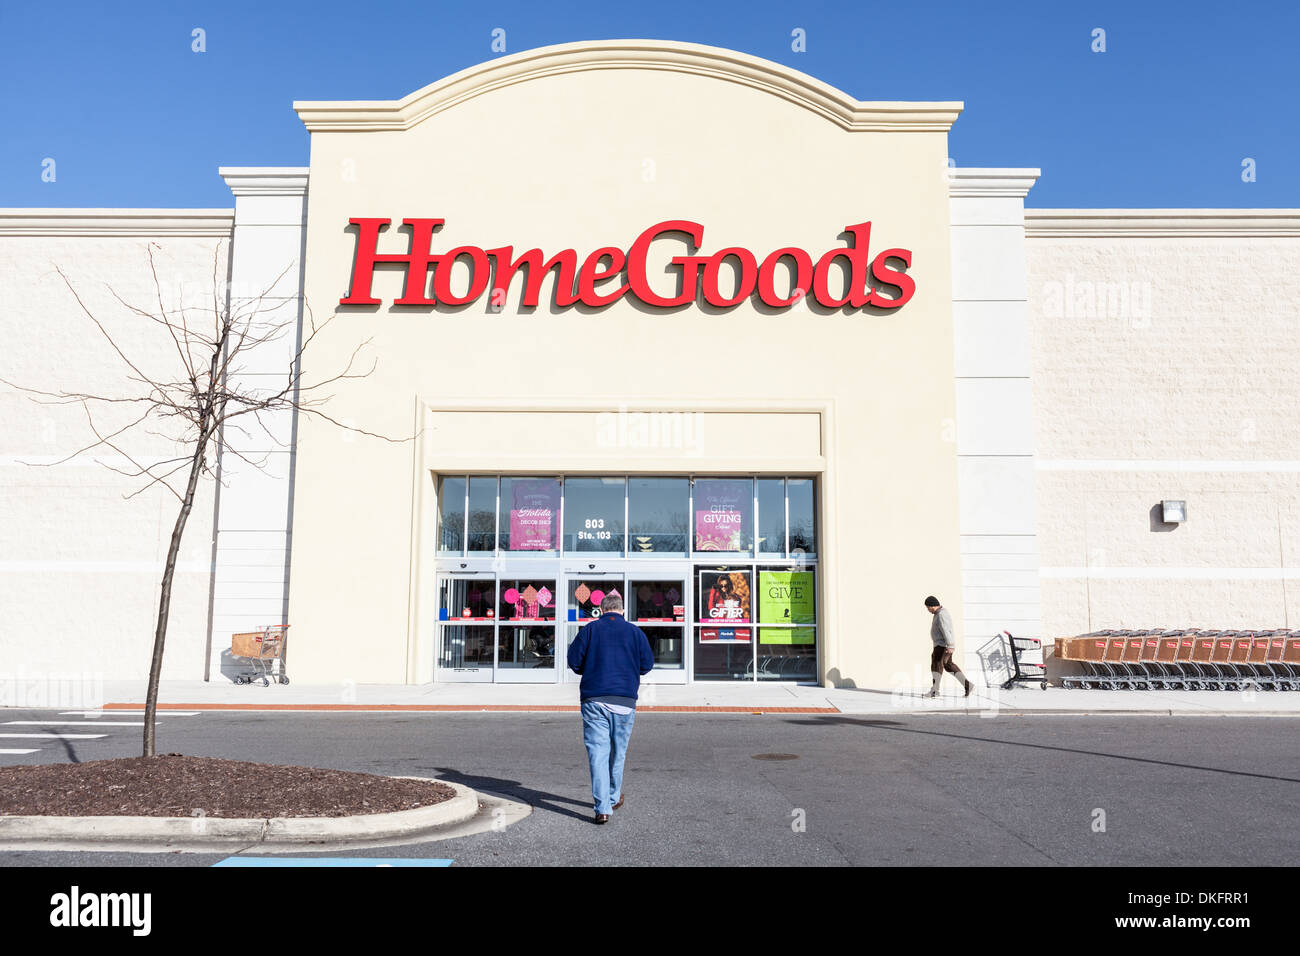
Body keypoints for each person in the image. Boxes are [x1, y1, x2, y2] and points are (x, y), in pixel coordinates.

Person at [567, 592, 655, 824]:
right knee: (618, 751)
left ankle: (602, 808)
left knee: (597, 752)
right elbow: (647, 665)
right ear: (622, 611)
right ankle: (613, 796)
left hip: (594, 699)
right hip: (625, 700)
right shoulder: (635, 632)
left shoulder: (590, 630)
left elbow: (574, 661)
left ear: (602, 610)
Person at [924, 595, 974, 698]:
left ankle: (935, 691)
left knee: (936, 666)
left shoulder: (941, 614)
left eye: (928, 607)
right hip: (942, 645)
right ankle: (968, 686)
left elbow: (946, 630)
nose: (928, 610)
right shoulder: (939, 613)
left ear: (932, 606)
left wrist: (950, 645)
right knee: (948, 666)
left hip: (942, 646)